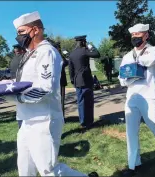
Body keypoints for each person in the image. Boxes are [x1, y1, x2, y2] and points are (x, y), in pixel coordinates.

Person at [10, 11, 98, 177]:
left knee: (48, 170)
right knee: (24, 169)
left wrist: (17, 96)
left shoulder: (47, 52)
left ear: (35, 30)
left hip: (43, 119)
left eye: (21, 32)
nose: (18, 36)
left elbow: (45, 88)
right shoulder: (29, 54)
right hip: (26, 118)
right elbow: (24, 82)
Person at [118, 23, 155, 177]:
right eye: (132, 35)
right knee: (131, 131)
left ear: (146, 36)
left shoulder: (153, 51)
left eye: (138, 35)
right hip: (132, 96)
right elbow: (122, 79)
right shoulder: (126, 56)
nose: (134, 38)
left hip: (149, 95)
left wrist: (130, 72)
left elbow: (146, 62)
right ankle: (133, 165)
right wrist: (131, 75)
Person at [68, 35, 100, 129]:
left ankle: (83, 122)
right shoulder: (84, 51)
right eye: (85, 42)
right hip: (86, 80)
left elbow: (71, 69)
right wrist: (91, 47)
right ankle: (89, 122)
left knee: (81, 102)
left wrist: (72, 80)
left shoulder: (72, 54)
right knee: (89, 102)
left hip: (77, 81)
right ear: (83, 42)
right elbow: (97, 54)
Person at [10, 44, 26, 128]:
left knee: (20, 107)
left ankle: (21, 125)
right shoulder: (24, 57)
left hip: (15, 85)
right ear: (22, 50)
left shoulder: (12, 60)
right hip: (24, 84)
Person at [55, 42, 68, 117]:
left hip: (61, 81)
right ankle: (60, 116)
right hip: (58, 81)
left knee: (61, 100)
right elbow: (65, 62)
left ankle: (61, 116)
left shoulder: (58, 56)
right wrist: (61, 53)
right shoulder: (55, 56)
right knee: (58, 100)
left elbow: (66, 63)